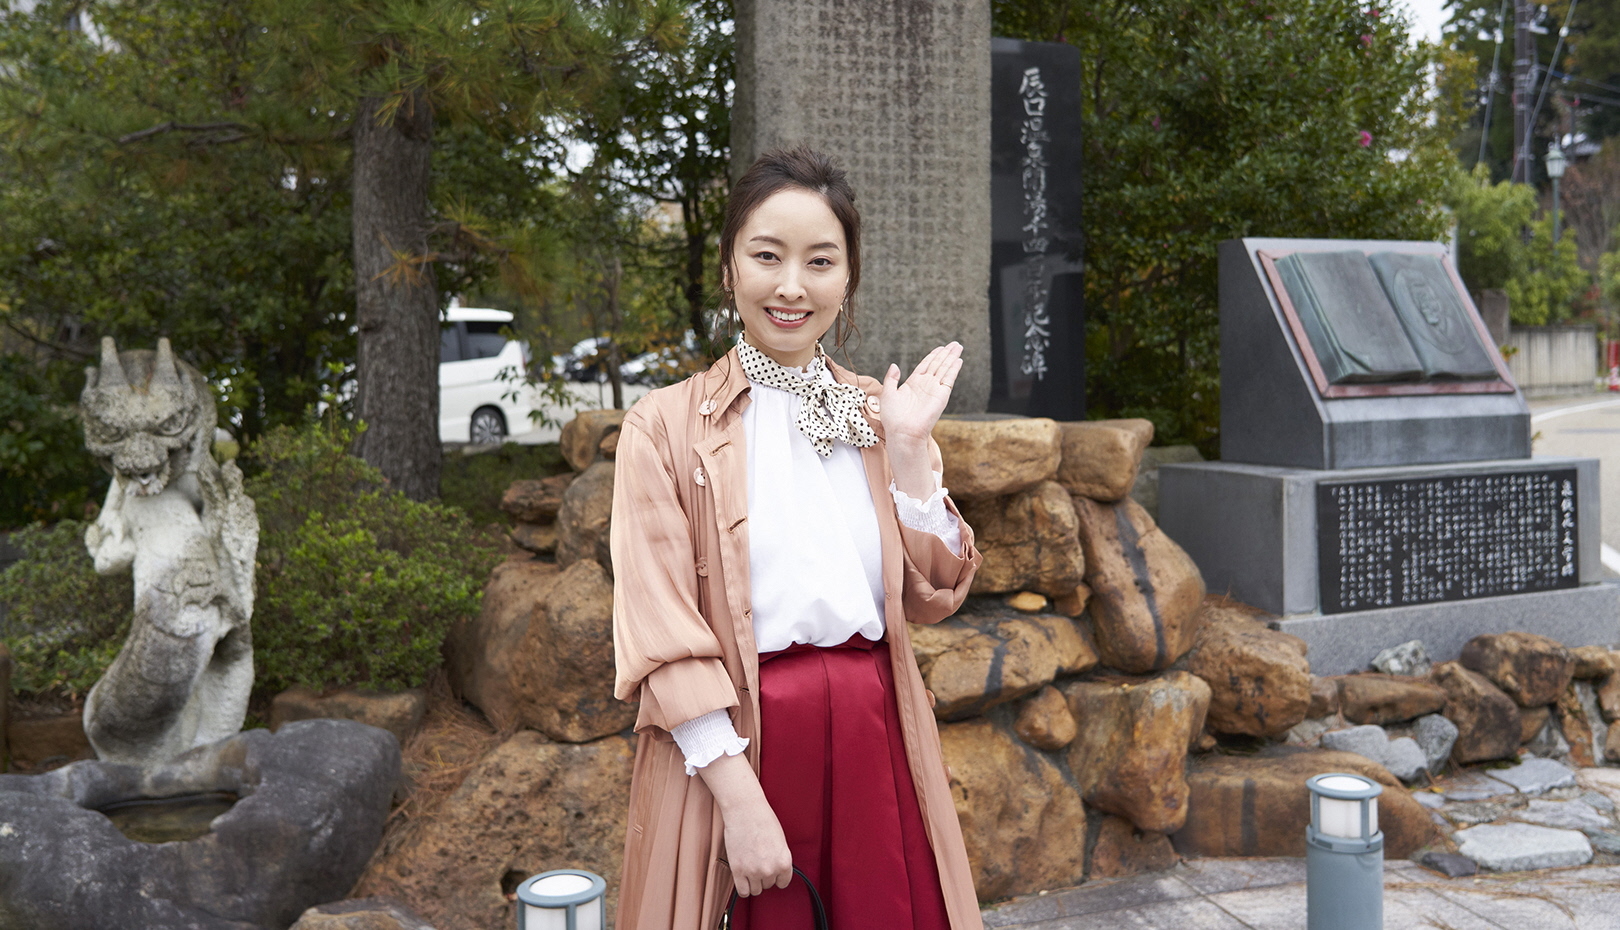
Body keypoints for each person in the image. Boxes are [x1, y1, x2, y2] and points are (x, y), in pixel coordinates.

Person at [611, 144, 984, 930]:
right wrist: (740, 802)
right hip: (739, 746)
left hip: (874, 735)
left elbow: (936, 593)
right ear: (728, 269)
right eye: (767, 256)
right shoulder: (664, 427)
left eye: (820, 261)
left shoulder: (880, 414)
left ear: (846, 277)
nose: (791, 286)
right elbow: (663, 632)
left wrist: (913, 455)